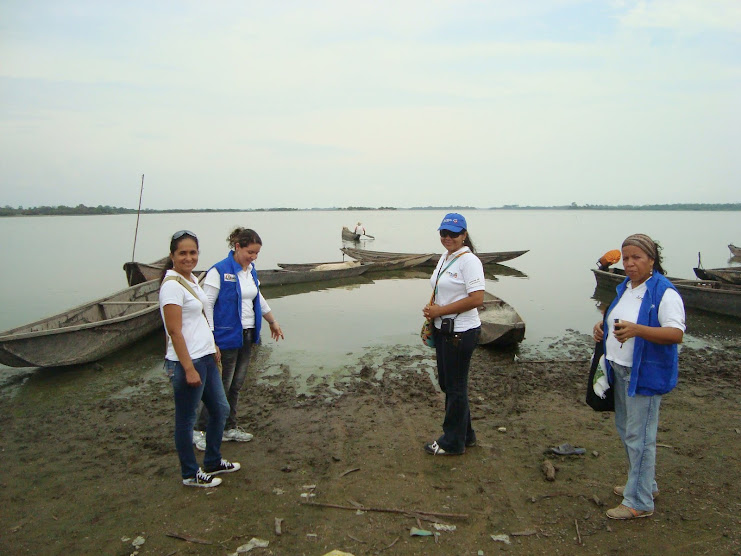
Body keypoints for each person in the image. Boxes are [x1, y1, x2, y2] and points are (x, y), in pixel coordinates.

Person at [592, 233, 685, 519]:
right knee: (627, 431)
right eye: (627, 257)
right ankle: (645, 484)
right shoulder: (625, 287)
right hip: (618, 369)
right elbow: (615, 318)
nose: (630, 263)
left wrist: (638, 330)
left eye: (637, 258)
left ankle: (639, 502)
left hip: (643, 374)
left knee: (640, 437)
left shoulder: (664, 292)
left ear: (651, 260)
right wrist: (601, 327)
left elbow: (676, 334)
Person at [159, 230, 240, 487]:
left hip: (205, 357)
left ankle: (213, 461)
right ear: (172, 255)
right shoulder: (171, 286)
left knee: (221, 409)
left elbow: (198, 319)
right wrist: (187, 368)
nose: (188, 257)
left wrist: (212, 344)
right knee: (186, 420)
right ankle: (189, 473)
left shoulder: (191, 280)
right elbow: (174, 331)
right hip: (188, 362)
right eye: (182, 253)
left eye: (192, 252)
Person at [192, 227, 284, 451]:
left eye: (257, 254)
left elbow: (258, 298)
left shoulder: (250, 271)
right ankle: (199, 430)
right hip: (225, 337)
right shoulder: (219, 271)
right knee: (220, 387)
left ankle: (228, 427)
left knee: (236, 386)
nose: (253, 257)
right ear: (237, 247)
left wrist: (272, 321)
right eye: (250, 252)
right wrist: (211, 338)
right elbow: (207, 305)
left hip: (247, 334)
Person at [422, 213, 485, 455]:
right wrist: (433, 310)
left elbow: (477, 299)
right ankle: (466, 435)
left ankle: (452, 442)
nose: (448, 238)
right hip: (443, 330)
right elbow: (443, 290)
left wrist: (440, 310)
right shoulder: (446, 257)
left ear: (464, 235)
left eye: (454, 234)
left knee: (455, 388)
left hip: (460, 333)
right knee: (449, 385)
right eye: (444, 233)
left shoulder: (470, 262)